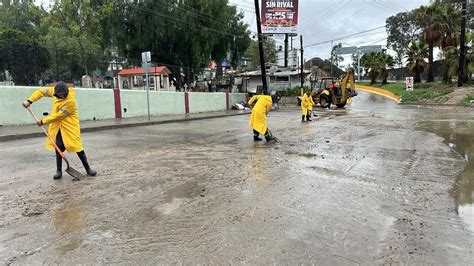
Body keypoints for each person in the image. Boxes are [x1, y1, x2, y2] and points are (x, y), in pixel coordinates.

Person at [22, 82, 97, 180]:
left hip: (70, 126)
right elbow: (41, 91)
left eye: (63, 95)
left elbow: (59, 116)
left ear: (66, 92)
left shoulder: (71, 102)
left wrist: (43, 121)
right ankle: (59, 170)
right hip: (57, 126)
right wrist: (29, 100)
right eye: (59, 95)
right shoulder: (54, 91)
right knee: (58, 146)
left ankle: (88, 169)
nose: (61, 96)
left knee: (77, 146)